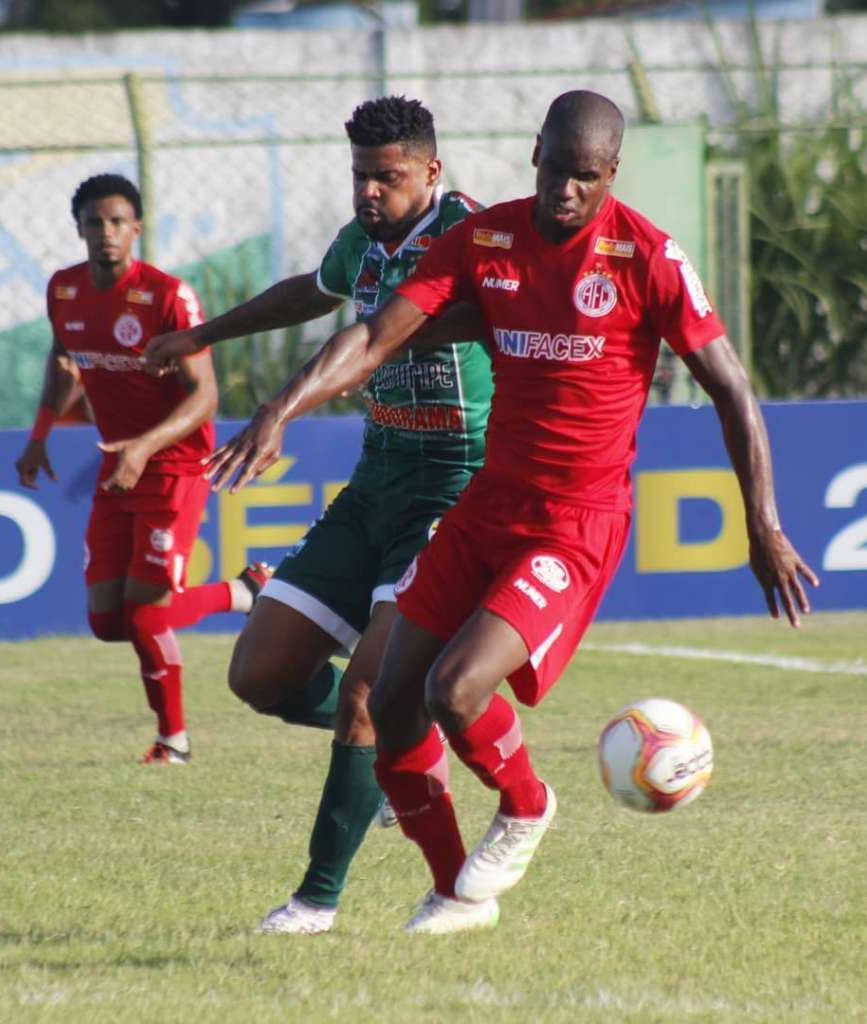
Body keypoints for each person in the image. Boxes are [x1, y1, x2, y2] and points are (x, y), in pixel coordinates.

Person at [194, 90, 819, 935]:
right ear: (536, 154)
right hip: (489, 505)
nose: (566, 192)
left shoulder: (649, 258)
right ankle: (454, 889)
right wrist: (280, 407)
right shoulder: (488, 240)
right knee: (398, 704)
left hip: (575, 523)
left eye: (586, 179)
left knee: (454, 689)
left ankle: (525, 805)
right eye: (556, 170)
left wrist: (765, 526)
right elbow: (375, 334)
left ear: (612, 176)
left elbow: (734, 391)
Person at [142, 96, 493, 934]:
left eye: (388, 177)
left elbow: (369, 339)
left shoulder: (474, 240)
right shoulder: (362, 239)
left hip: (456, 487)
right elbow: (314, 293)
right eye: (361, 177)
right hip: (377, 480)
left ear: (432, 172)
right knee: (258, 674)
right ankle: (402, 744)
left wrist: (278, 411)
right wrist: (204, 337)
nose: (370, 193)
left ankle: (315, 903)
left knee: (369, 691)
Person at [15, 173, 271, 766]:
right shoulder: (64, 291)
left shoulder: (166, 297)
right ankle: (243, 591)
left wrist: (144, 446)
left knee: (148, 613)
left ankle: (173, 741)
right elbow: (64, 360)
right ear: (77, 228)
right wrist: (38, 437)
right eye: (93, 223)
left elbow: (204, 395)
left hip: (175, 466)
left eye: (116, 222)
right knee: (107, 620)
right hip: (118, 464)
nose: (105, 233)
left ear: (136, 228)